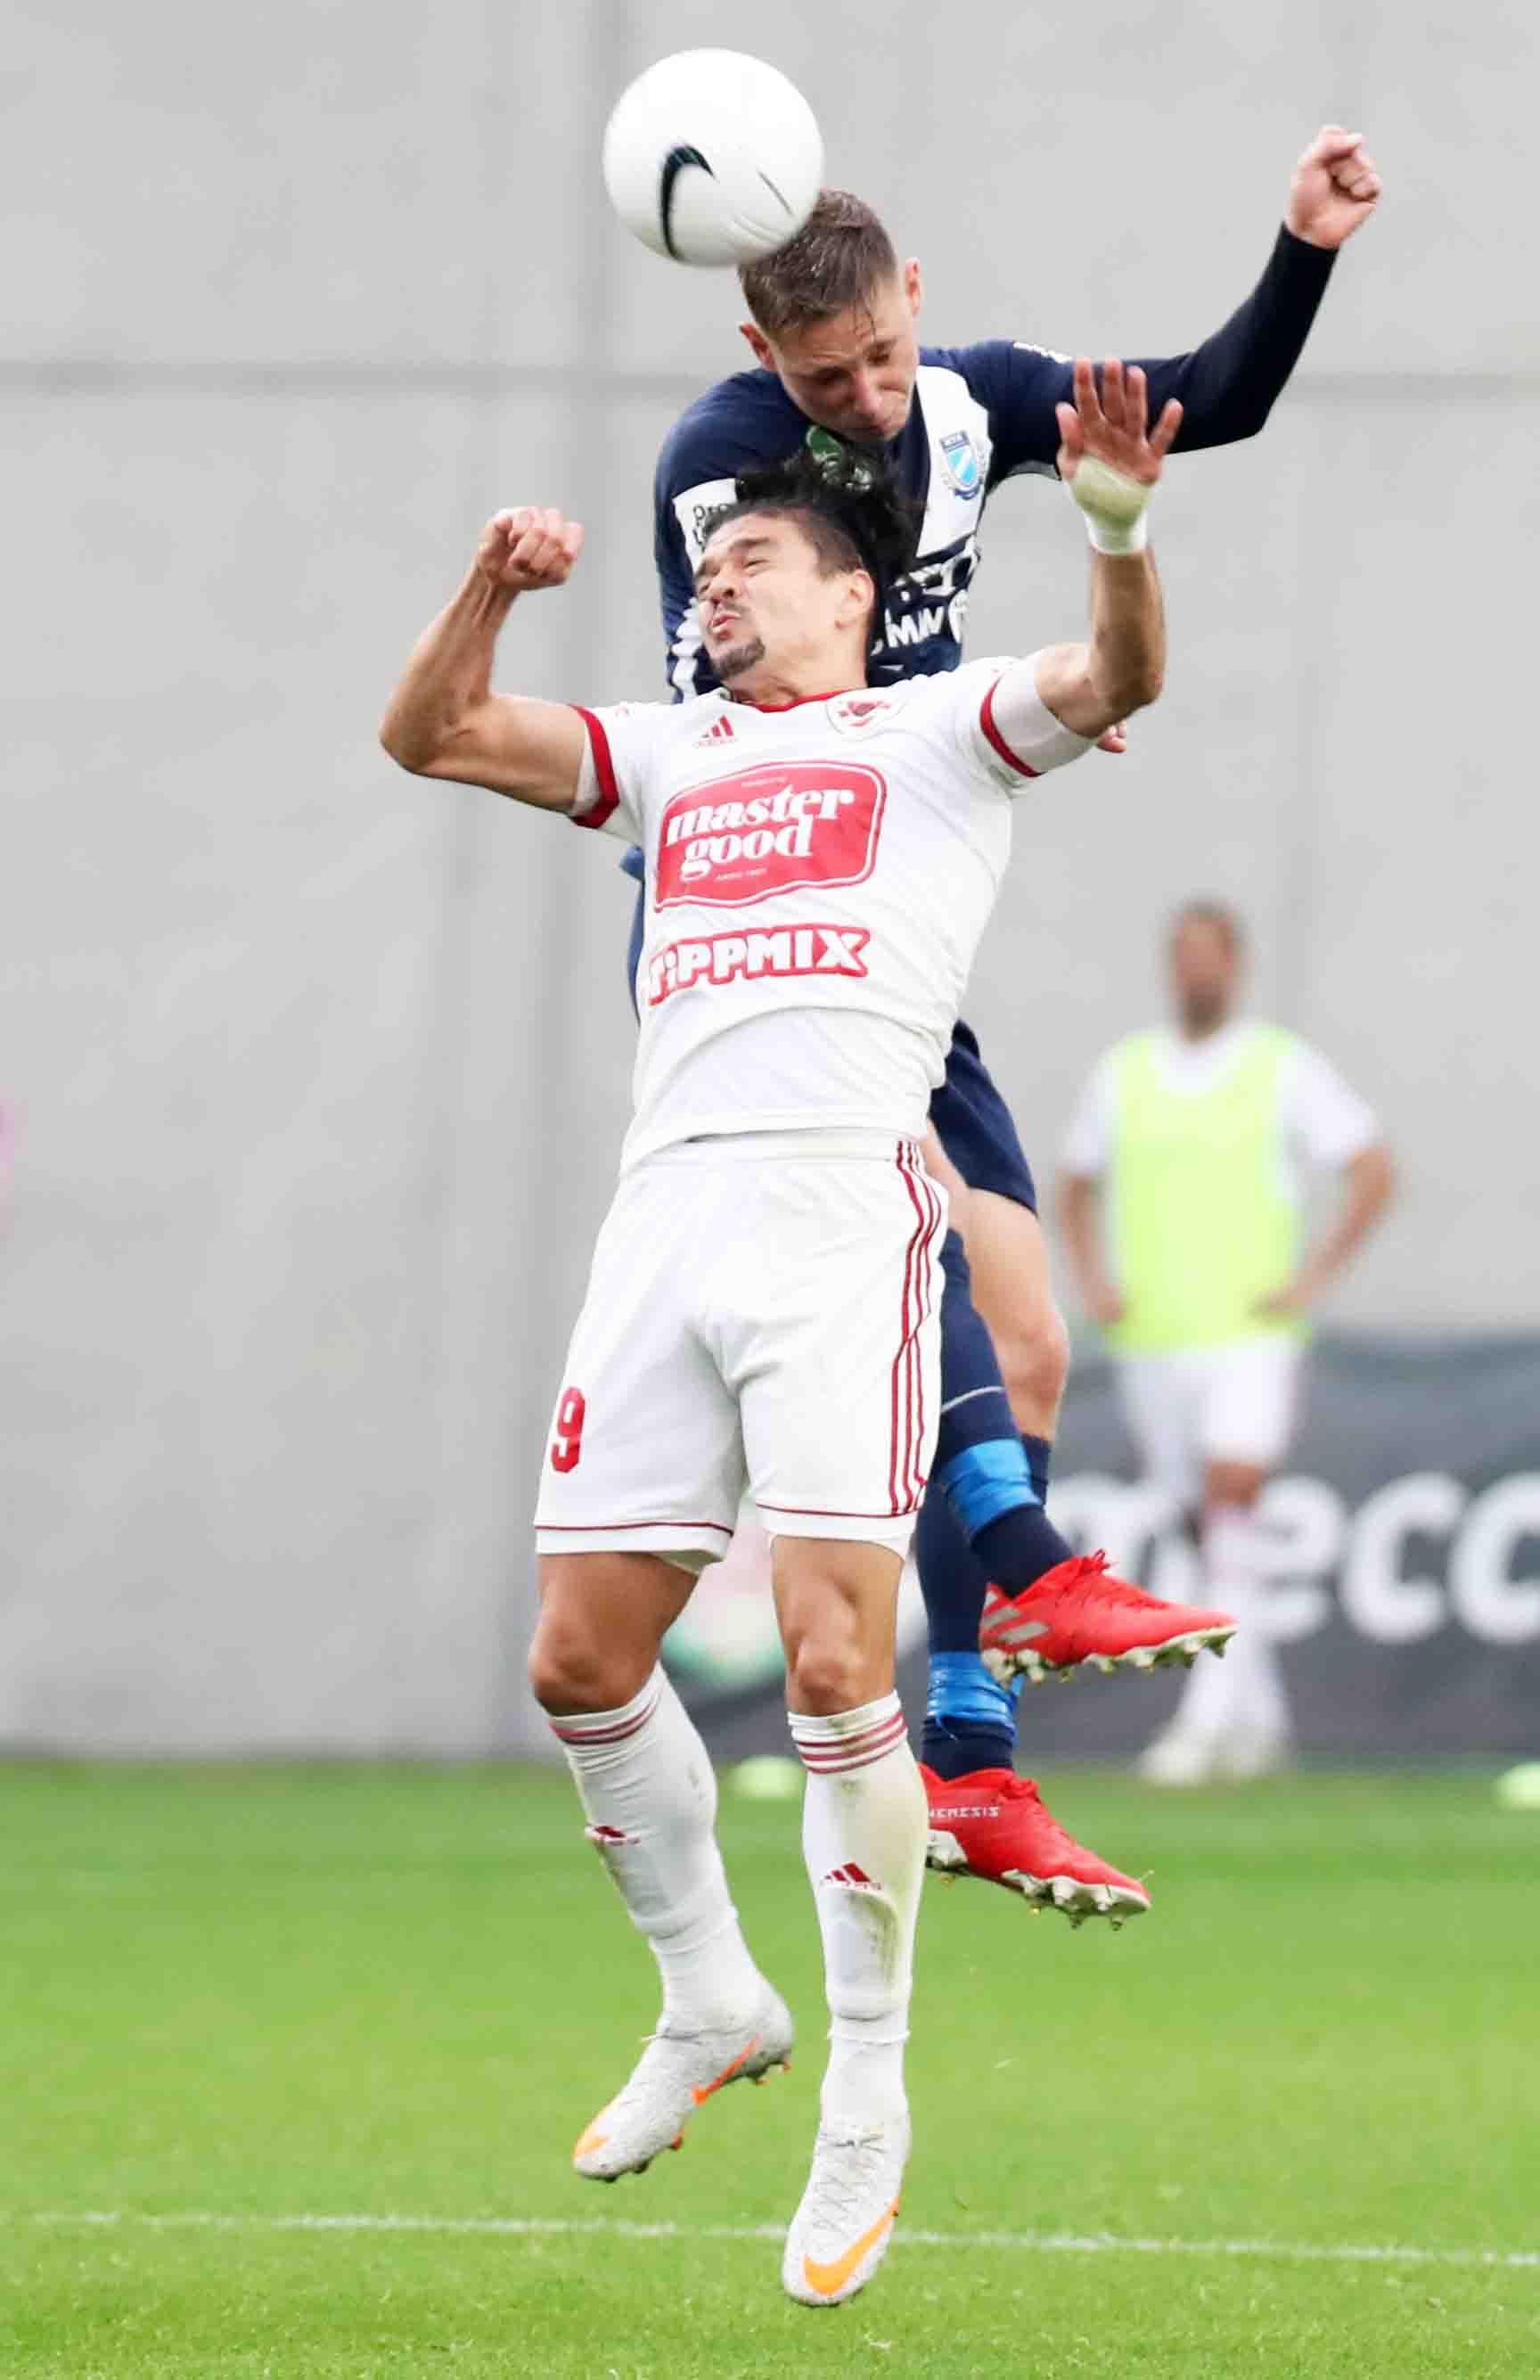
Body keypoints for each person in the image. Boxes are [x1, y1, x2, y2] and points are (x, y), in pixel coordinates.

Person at [381, 358, 1175, 2306]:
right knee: (578, 1662)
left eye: (751, 560)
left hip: (838, 1216)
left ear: (847, 592)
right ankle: (711, 1997)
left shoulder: (934, 730)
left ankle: (869, 2099)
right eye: (708, 564)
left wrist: (1115, 525)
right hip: (663, 1221)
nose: (717, 581)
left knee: (832, 1658)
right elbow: (429, 733)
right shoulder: (666, 751)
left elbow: (1118, 676)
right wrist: (490, 588)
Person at [635, 126, 1383, 1893]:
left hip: (891, 934)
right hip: (763, 934)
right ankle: (1030, 1568)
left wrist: (1300, 251)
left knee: (1027, 1336)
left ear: (915, 299)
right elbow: (770, 687)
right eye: (827, 375)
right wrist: (985, 710)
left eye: (885, 354)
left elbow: (1207, 403)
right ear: (760, 357)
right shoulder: (724, 461)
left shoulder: (967, 400)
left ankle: (972, 1761)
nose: (868, 396)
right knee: (933, 1268)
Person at [1055, 901, 1396, 1781]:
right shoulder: (1125, 1073)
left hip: (1251, 1334)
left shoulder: (1281, 1066)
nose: (1193, 971)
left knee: (1229, 1499)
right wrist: (1094, 1281)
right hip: (1153, 1338)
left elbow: (1371, 1168)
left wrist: (1313, 1278)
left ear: (1235, 965)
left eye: (1207, 956)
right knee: (1204, 1529)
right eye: (1181, 955)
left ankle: (1205, 1720)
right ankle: (1260, 1715)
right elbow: (1075, 1183)